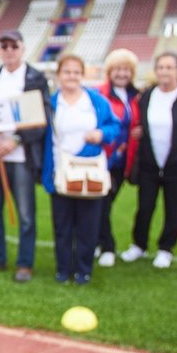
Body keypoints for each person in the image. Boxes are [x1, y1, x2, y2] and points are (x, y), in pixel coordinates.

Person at [120, 52, 177, 269]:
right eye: (160, 67)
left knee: (173, 208)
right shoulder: (148, 95)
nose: (164, 72)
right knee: (145, 206)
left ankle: (165, 248)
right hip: (150, 163)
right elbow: (140, 121)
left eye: (169, 67)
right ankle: (139, 245)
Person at [0, 30, 50, 283]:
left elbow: (42, 116)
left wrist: (14, 140)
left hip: (21, 155)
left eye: (13, 46)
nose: (8, 51)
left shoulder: (36, 78)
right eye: (3, 46)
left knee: (26, 213)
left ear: (22, 48)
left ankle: (25, 263)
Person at [42, 55, 120, 284]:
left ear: (82, 74)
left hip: (90, 172)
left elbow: (115, 126)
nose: (71, 76)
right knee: (62, 226)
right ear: (59, 75)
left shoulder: (96, 101)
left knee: (88, 226)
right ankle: (63, 269)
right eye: (67, 72)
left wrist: (102, 134)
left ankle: (84, 270)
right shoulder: (52, 103)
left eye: (76, 72)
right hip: (60, 172)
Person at [94, 49, 141, 267]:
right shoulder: (99, 94)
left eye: (126, 70)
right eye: (118, 69)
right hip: (104, 157)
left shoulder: (137, 97)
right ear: (109, 71)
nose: (122, 74)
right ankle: (107, 246)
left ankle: (97, 241)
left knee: (106, 203)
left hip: (124, 161)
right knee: (101, 203)